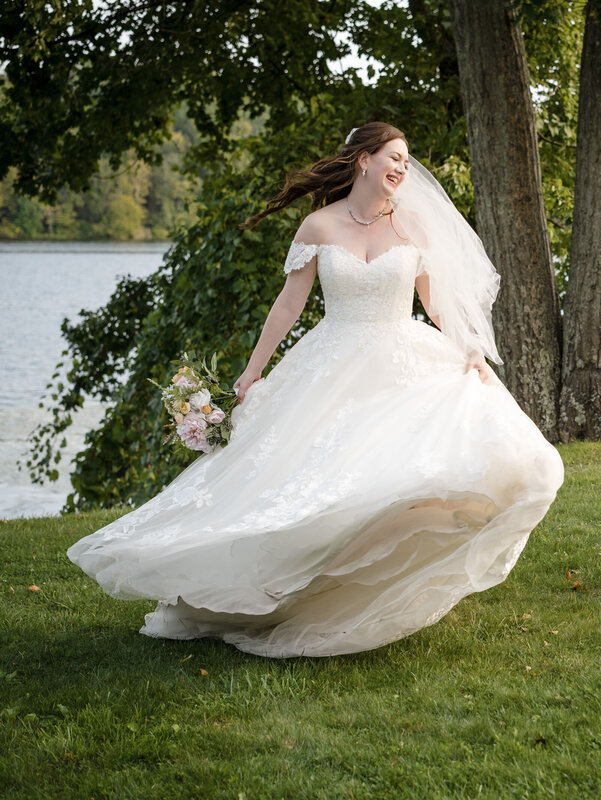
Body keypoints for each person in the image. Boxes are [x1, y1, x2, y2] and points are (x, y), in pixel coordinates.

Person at [67, 122, 564, 657]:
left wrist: (466, 345)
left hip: (404, 357)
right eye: (393, 157)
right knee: (313, 475)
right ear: (363, 161)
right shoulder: (319, 226)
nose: (402, 168)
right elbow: (289, 305)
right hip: (333, 361)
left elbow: (436, 300)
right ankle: (297, 586)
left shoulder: (413, 226)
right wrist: (253, 371)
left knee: (414, 467)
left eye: (405, 160)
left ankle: (379, 575)